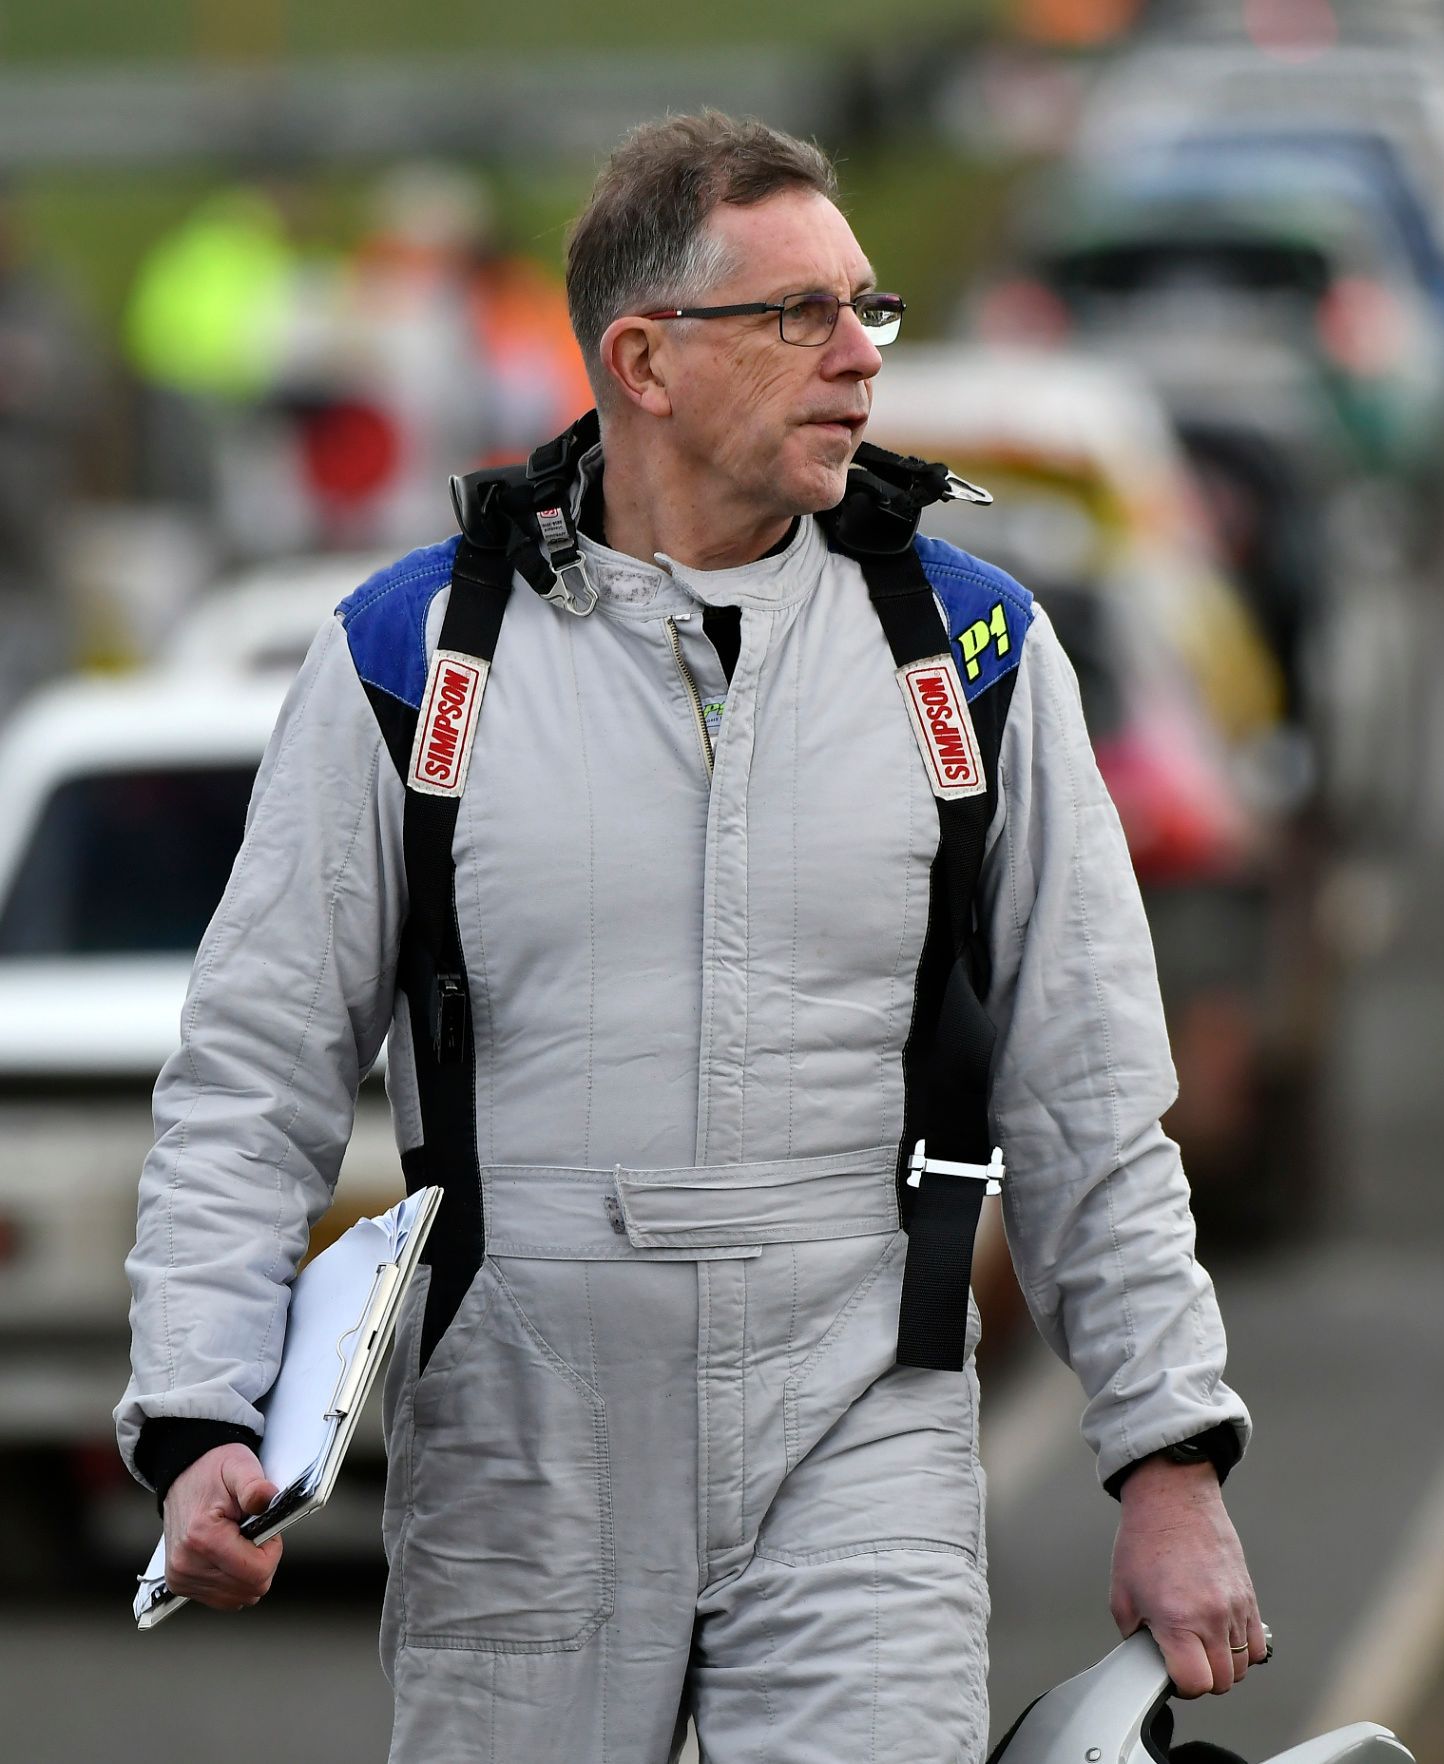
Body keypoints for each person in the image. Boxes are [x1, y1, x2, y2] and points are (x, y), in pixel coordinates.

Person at [116, 111, 1260, 1761]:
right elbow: (252, 1076)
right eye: (799, 315)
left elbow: (1090, 1100)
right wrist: (203, 1411)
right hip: (522, 1456)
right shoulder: (407, 660)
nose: (858, 356)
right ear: (641, 360)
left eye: (869, 308)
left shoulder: (981, 657)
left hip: (866, 1440)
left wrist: (1172, 1466)